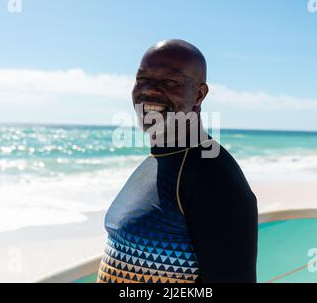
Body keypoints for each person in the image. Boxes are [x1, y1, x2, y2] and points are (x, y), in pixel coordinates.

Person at [97, 39, 258, 283]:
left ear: (199, 94)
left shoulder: (212, 174)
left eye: (170, 81)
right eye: (142, 79)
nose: (149, 89)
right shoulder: (158, 160)